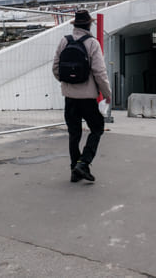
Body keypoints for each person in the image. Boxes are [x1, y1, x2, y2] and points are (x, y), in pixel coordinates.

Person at [52, 9, 112, 183]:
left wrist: (67, 83)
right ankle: (84, 163)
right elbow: (100, 72)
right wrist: (107, 93)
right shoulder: (92, 43)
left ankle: (74, 170)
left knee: (74, 133)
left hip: (69, 97)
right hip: (87, 98)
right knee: (97, 128)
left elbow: (56, 68)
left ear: (75, 25)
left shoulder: (64, 41)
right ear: (89, 24)